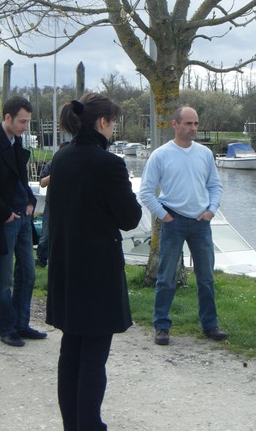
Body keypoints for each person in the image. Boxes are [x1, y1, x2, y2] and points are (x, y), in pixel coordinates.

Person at [46, 94, 141, 430]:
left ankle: (73, 423)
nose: (114, 129)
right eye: (113, 122)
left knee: (71, 348)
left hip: (66, 265)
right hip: (97, 271)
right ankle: (89, 424)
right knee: (93, 356)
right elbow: (130, 217)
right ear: (103, 122)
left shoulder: (61, 158)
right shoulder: (109, 163)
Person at [139, 105, 227, 346]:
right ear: (175, 125)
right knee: (166, 277)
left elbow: (215, 185)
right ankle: (161, 326)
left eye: (196, 124)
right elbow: (145, 192)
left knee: (206, 277)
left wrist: (211, 210)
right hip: (173, 220)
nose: (193, 129)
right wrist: (164, 216)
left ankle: (210, 325)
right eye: (188, 124)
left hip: (201, 223)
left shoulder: (204, 154)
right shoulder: (161, 155)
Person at [0, 96, 47, 347]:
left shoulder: (16, 142)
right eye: (22, 121)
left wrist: (30, 201)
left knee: (28, 272)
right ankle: (6, 328)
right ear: (7, 118)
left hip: (22, 216)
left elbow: (21, 180)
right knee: (3, 278)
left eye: (27, 122)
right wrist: (5, 213)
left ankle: (21, 324)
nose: (26, 126)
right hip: (3, 220)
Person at [35, 141, 68, 268]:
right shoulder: (52, 164)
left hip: (67, 205)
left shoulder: (73, 165)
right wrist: (55, 172)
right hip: (52, 204)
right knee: (46, 234)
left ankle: (61, 262)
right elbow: (42, 183)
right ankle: (41, 259)